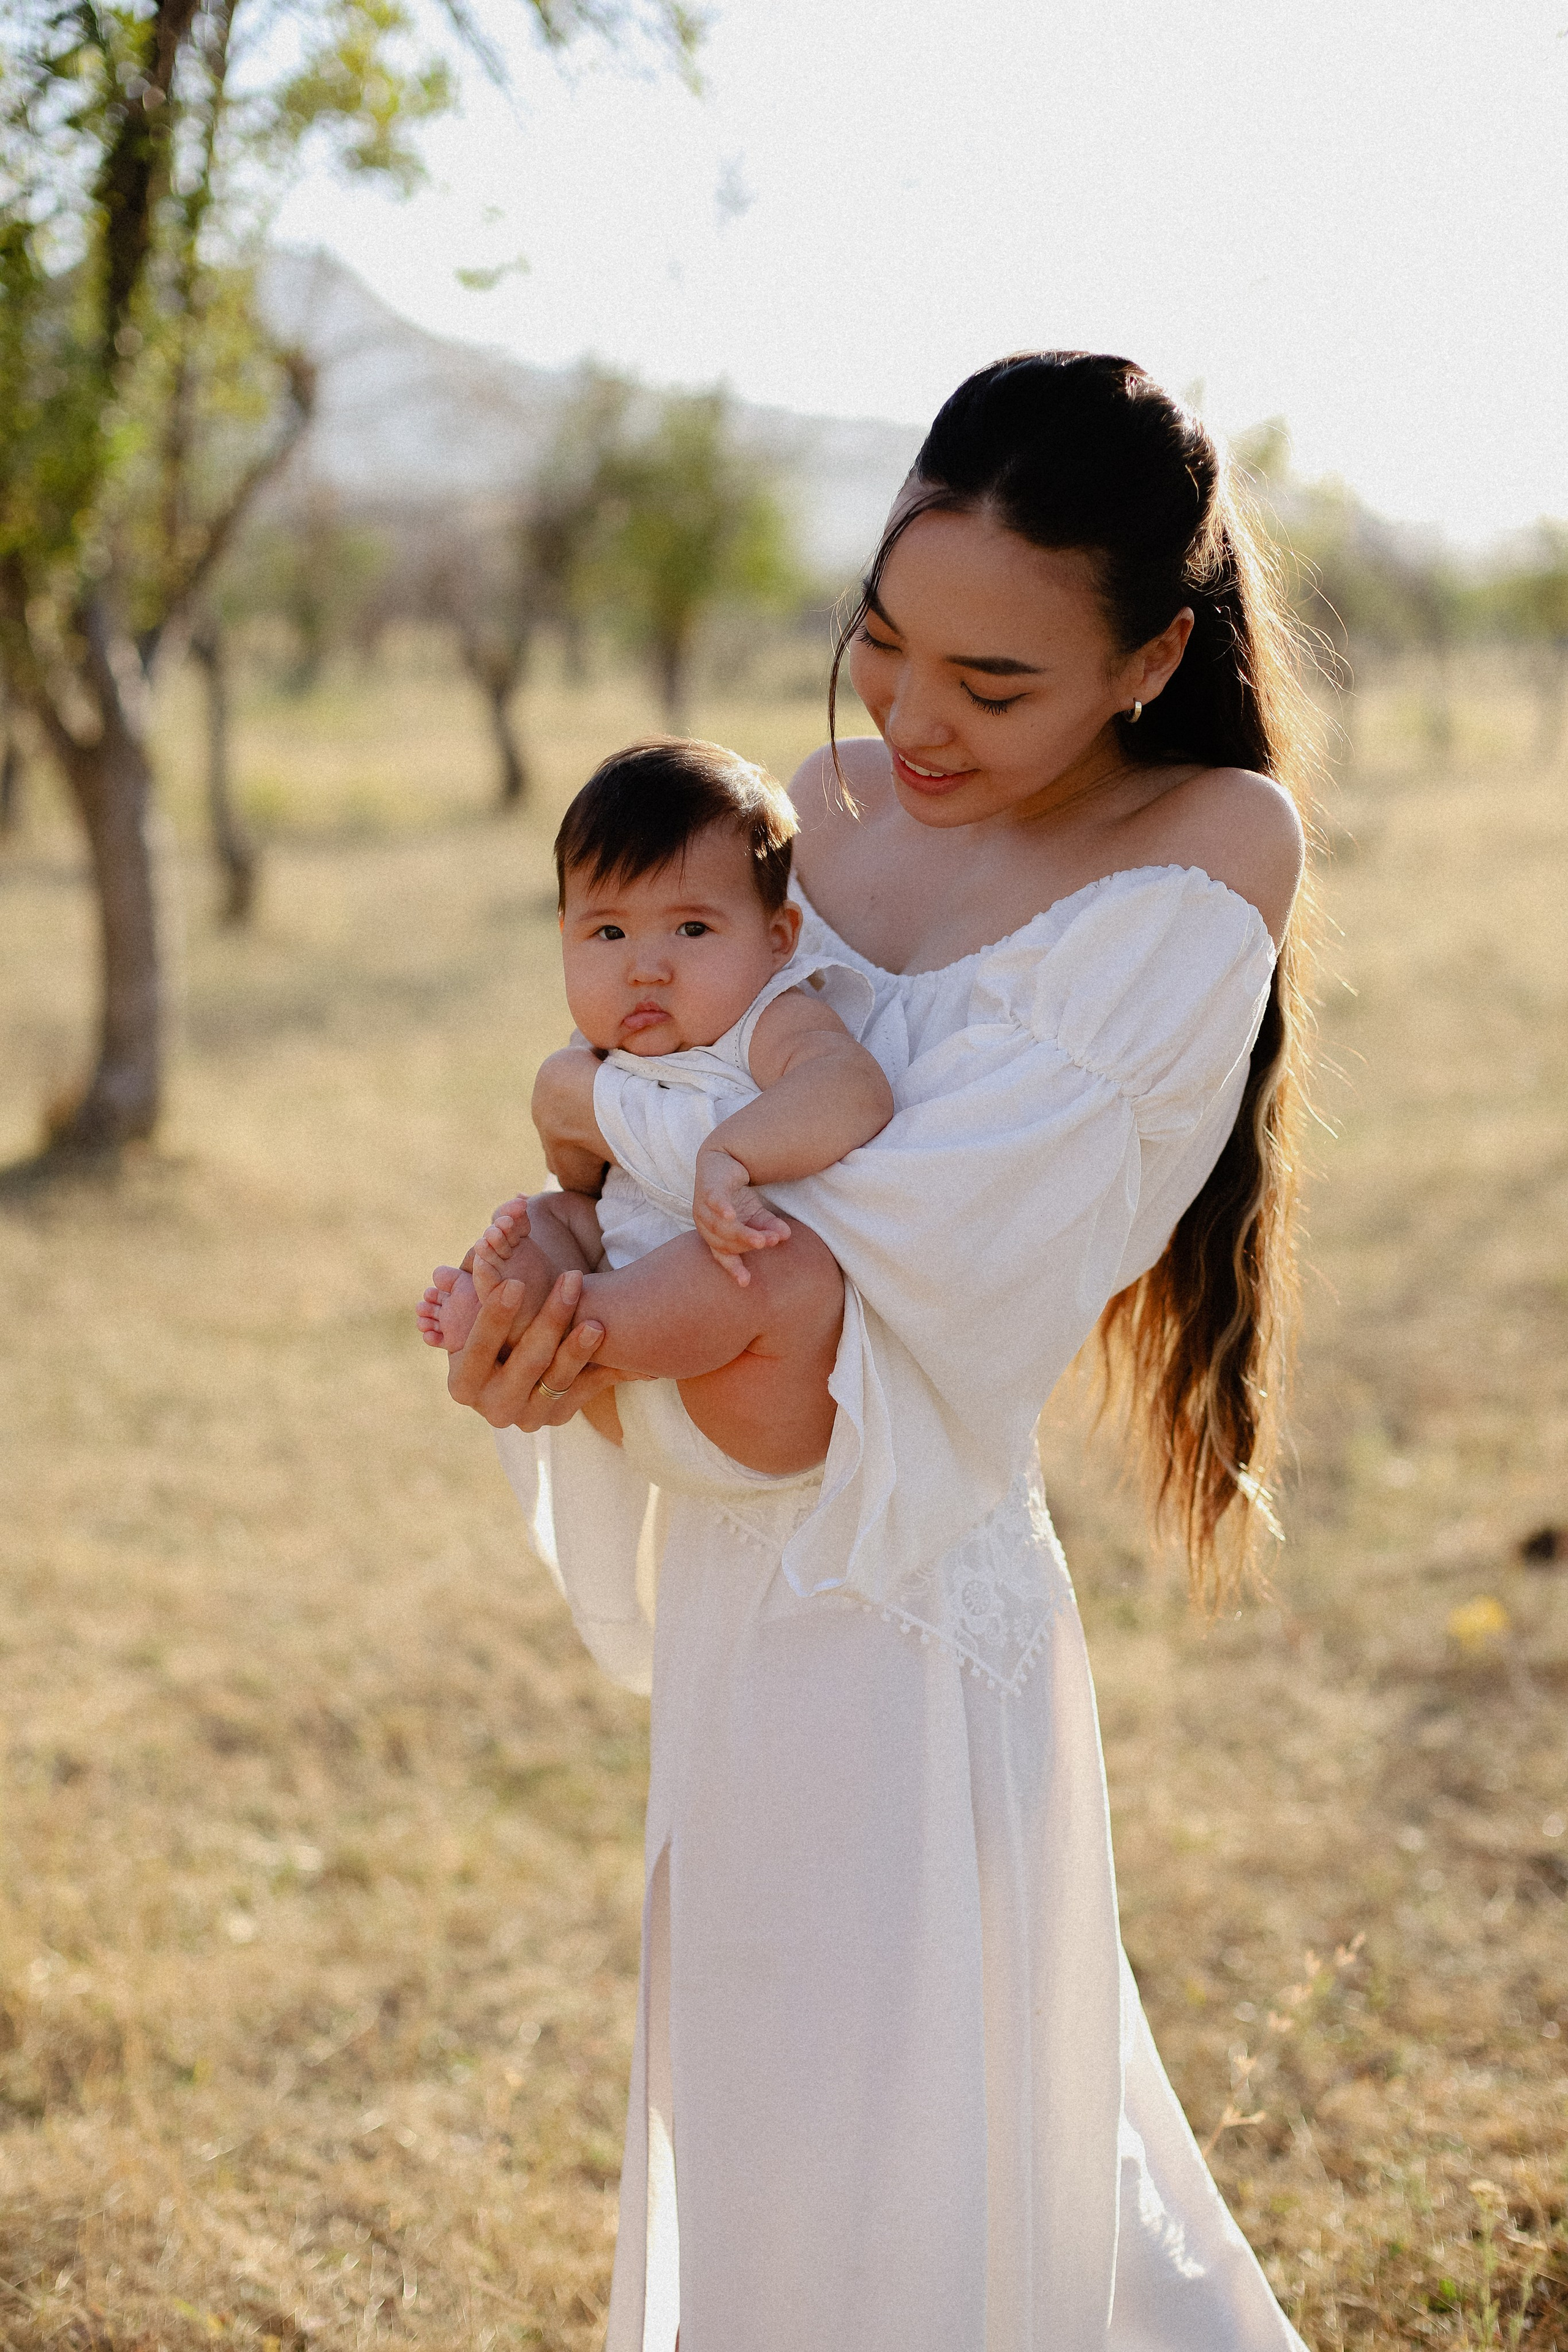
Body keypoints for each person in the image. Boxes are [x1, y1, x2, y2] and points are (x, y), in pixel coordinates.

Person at [439, 353, 1316, 2350]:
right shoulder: (807, 816)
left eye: (993, 687)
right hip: (739, 1605)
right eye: (886, 644)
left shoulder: (1206, 850)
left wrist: (617, 1296)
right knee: (759, 2123)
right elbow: (679, 1127)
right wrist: (552, 1233)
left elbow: (886, 1289)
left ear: (1151, 655)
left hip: (912, 1604)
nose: (912, 724)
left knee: (921, 2136)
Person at [418, 737, 893, 1475]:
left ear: (777, 939)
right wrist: (568, 1162)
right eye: (608, 932)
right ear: (563, 938)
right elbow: (583, 1182)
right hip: (641, 1367)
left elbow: (849, 1086)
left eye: (692, 929)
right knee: (550, 1218)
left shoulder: (768, 1016)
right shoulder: (603, 1046)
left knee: (781, 1267)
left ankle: (560, 1326)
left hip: (755, 1394)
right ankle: (510, 1303)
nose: (645, 969)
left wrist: (733, 1153)